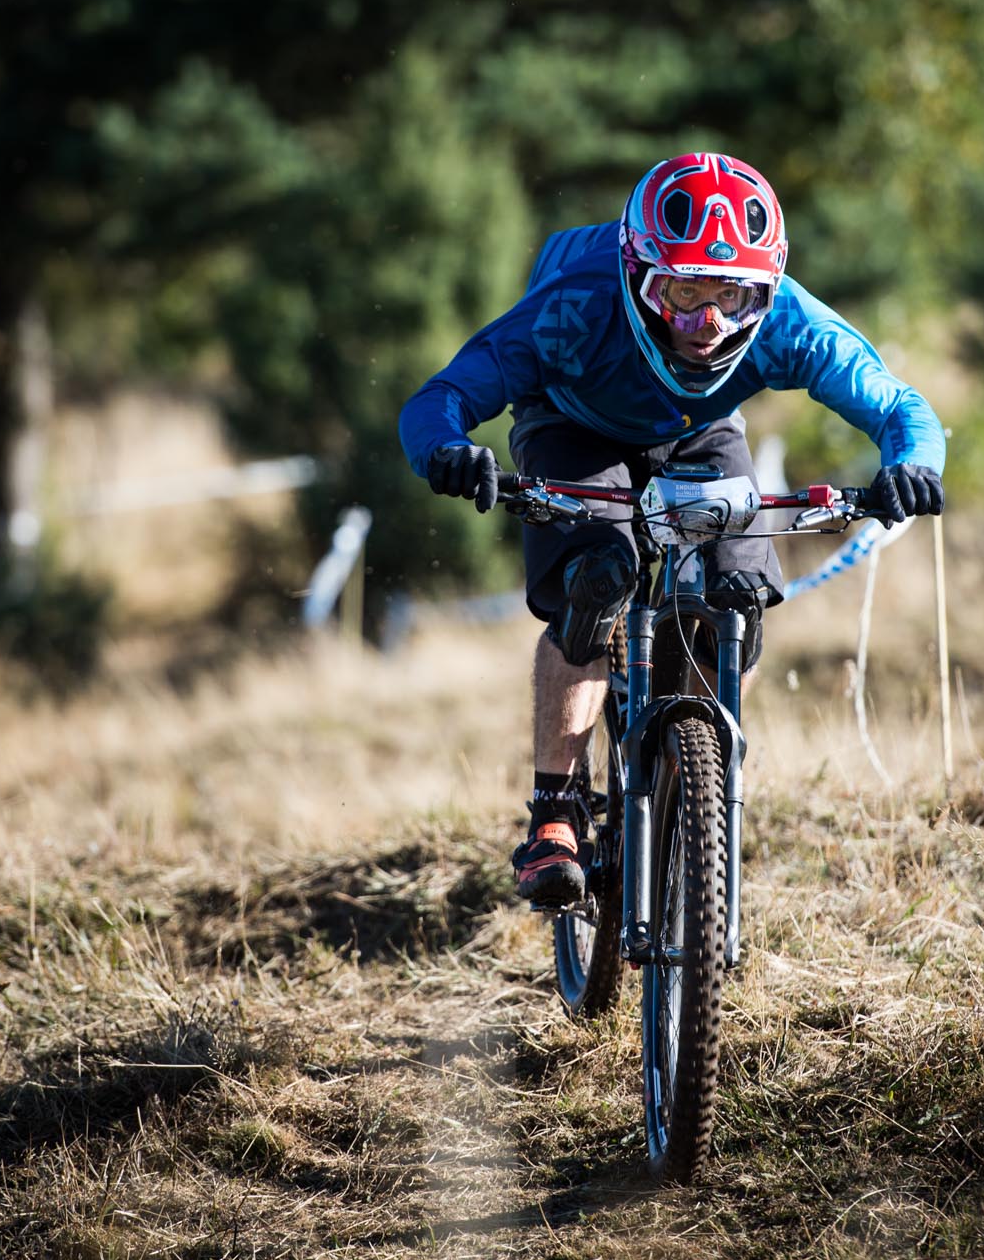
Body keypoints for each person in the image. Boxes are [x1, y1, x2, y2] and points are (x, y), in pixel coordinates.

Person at [397, 152, 947, 907]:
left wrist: (911, 463)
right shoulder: (574, 309)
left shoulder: (787, 320)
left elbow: (901, 408)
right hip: (573, 425)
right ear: (636, 273)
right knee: (597, 577)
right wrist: (450, 450)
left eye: (733, 296)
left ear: (769, 286)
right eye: (683, 291)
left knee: (740, 594)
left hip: (702, 430)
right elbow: (443, 396)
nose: (708, 324)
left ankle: (694, 784)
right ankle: (556, 810)